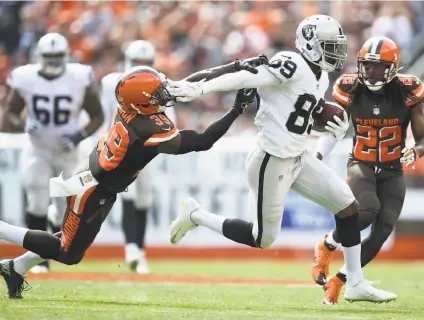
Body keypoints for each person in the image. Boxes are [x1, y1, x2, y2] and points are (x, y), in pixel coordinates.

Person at [167, 15, 396, 304]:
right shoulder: (292, 62)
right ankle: (195, 215)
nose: (336, 52)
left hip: (298, 156)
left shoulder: (320, 75)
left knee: (348, 206)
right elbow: (247, 76)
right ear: (310, 45)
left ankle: (355, 283)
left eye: (337, 46)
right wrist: (201, 88)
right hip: (270, 161)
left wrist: (324, 121)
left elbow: (295, 114)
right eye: (329, 46)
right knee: (262, 238)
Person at [0, 61, 262, 299]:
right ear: (142, 101)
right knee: (68, 253)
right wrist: (237, 108)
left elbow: (188, 83)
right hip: (94, 187)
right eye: (157, 93)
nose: (164, 94)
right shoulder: (146, 128)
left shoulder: (132, 108)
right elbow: (203, 141)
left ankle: (16, 268)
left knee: (71, 238)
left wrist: (234, 67)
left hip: (95, 176)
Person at [312, 36, 424, 304]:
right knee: (365, 213)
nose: (372, 72)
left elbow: (423, 139)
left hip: (392, 169)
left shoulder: (408, 90)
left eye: (379, 66)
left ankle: (341, 281)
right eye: (368, 65)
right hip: (361, 163)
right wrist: (318, 155)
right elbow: (334, 128)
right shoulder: (348, 87)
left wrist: (415, 151)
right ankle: (327, 243)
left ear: (394, 67)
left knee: (382, 230)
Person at [1, 33, 104, 273]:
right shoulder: (25, 77)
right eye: (49, 56)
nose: (54, 61)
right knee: (36, 202)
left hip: (70, 152)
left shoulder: (79, 77)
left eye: (58, 56)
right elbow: (11, 113)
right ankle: (38, 261)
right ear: (39, 56)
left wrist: (79, 135)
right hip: (38, 149)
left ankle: (46, 240)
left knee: (64, 211)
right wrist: (23, 124)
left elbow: (97, 115)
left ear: (66, 56)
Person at [97, 40, 178, 273]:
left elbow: (170, 120)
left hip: (149, 148)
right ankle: (132, 248)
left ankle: (138, 251)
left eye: (145, 63)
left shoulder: (160, 83)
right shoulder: (111, 83)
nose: (141, 68)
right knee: (128, 196)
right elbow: (104, 117)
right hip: (122, 147)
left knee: (143, 199)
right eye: (137, 63)